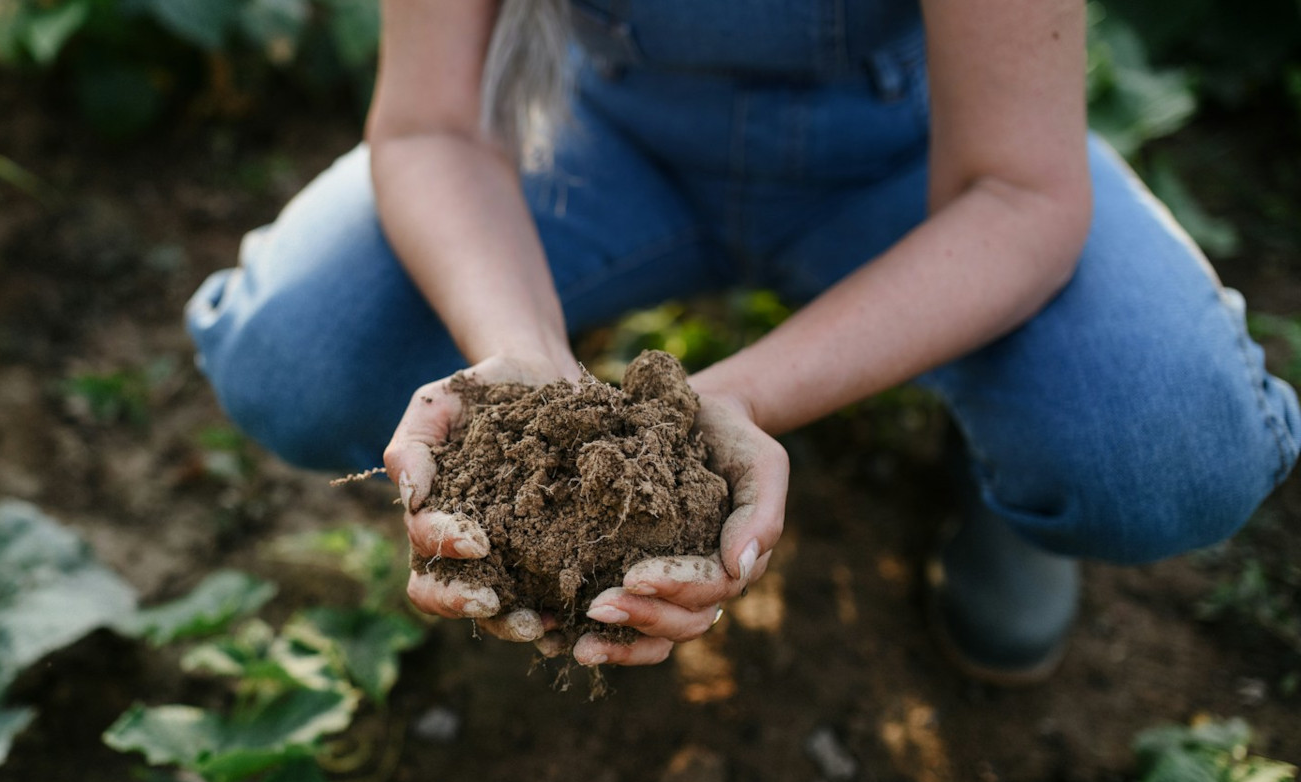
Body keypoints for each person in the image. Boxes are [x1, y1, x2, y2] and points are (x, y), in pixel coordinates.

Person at [185, 0, 1301, 683]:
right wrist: (525, 368)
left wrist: (726, 403)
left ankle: (1011, 475)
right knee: (300, 357)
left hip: (921, 161)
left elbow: (1017, 190)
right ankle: (575, 326)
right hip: (596, 135)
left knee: (1163, 446)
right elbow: (433, 122)